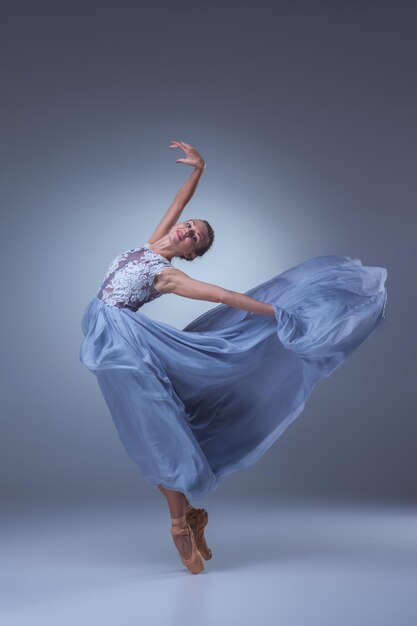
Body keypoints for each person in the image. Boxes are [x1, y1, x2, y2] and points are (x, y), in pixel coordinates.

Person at [80, 140, 388, 575]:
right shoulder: (149, 247)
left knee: (155, 430)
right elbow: (178, 202)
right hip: (110, 339)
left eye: (196, 237)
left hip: (124, 344)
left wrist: (279, 312)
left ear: (190, 253)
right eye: (190, 226)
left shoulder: (168, 274)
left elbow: (225, 296)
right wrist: (199, 169)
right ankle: (190, 515)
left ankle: (179, 522)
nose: (187, 229)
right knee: (151, 430)